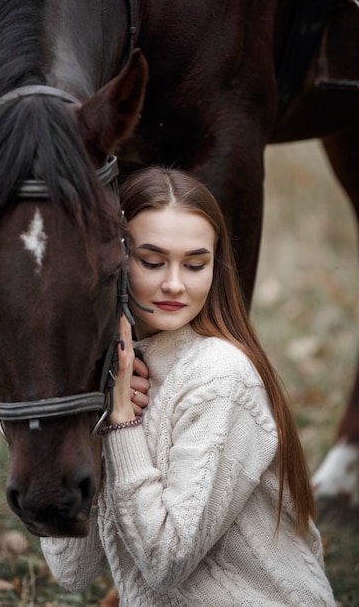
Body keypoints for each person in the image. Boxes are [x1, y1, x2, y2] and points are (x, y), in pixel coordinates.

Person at [41, 167, 335, 606]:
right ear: (115, 263)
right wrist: (90, 423)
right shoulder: (121, 377)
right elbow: (72, 570)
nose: (175, 284)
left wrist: (123, 426)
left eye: (195, 264)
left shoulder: (220, 377)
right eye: (152, 261)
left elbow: (164, 563)